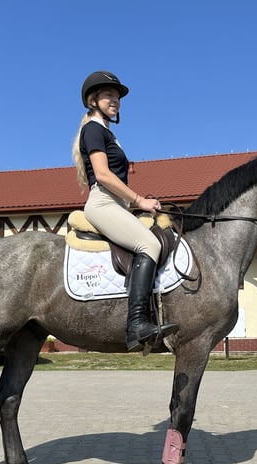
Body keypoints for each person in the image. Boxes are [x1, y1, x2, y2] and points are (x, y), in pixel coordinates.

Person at [72, 71, 178, 351]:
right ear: (92, 100)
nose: (115, 100)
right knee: (149, 244)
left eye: (117, 96)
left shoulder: (108, 133)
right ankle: (137, 325)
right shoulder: (93, 129)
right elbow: (104, 176)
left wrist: (138, 204)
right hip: (103, 203)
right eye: (109, 95)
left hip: (116, 204)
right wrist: (139, 200)